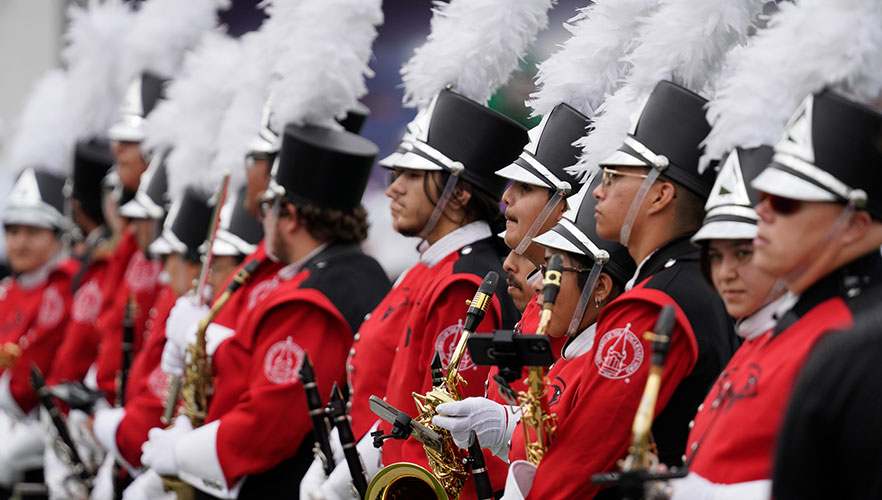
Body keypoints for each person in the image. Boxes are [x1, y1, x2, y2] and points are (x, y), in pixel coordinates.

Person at [139, 122, 391, 499]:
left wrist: (179, 454)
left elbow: (267, 425)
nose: (262, 218)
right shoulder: (343, 272)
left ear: (289, 215)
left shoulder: (316, 296)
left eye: (267, 206)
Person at [304, 87, 526, 500]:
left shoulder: (463, 281)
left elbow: (440, 428)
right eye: (395, 175)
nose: (393, 188)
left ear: (459, 193)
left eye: (412, 176)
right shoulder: (433, 267)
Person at [523, 81, 738, 499]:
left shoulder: (653, 303)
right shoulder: (689, 279)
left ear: (661, 194)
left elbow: (584, 455)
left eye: (615, 176)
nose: (598, 191)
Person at [674, 91, 882, 498]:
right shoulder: (800, 321)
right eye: (763, 196)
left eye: (784, 202)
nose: (762, 212)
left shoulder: (862, 340)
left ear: (855, 226)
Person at [432, 183, 636, 499]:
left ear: (601, 287)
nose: (538, 284)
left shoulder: (607, 364)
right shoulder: (573, 355)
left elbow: (575, 465)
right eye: (542, 268)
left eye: (553, 271)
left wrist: (503, 427)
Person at [0, 168, 78, 492]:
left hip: (40, 417)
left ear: (59, 236)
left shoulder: (64, 288)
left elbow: (27, 386)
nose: (20, 241)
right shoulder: (7, 290)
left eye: (33, 231)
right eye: (13, 230)